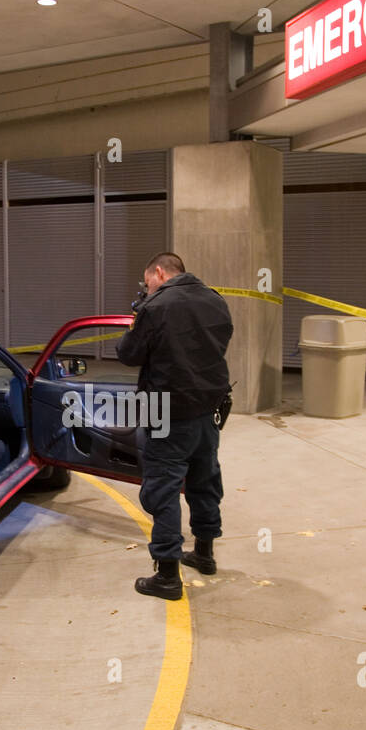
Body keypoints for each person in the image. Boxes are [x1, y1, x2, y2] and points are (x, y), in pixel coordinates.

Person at [116, 253, 233, 601]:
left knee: (162, 489)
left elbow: (129, 354)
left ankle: (167, 576)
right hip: (207, 409)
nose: (146, 287)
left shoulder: (156, 306)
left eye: (146, 280)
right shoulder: (215, 300)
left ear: (159, 272)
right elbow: (218, 346)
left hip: (165, 411)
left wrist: (138, 318)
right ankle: (204, 553)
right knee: (204, 480)